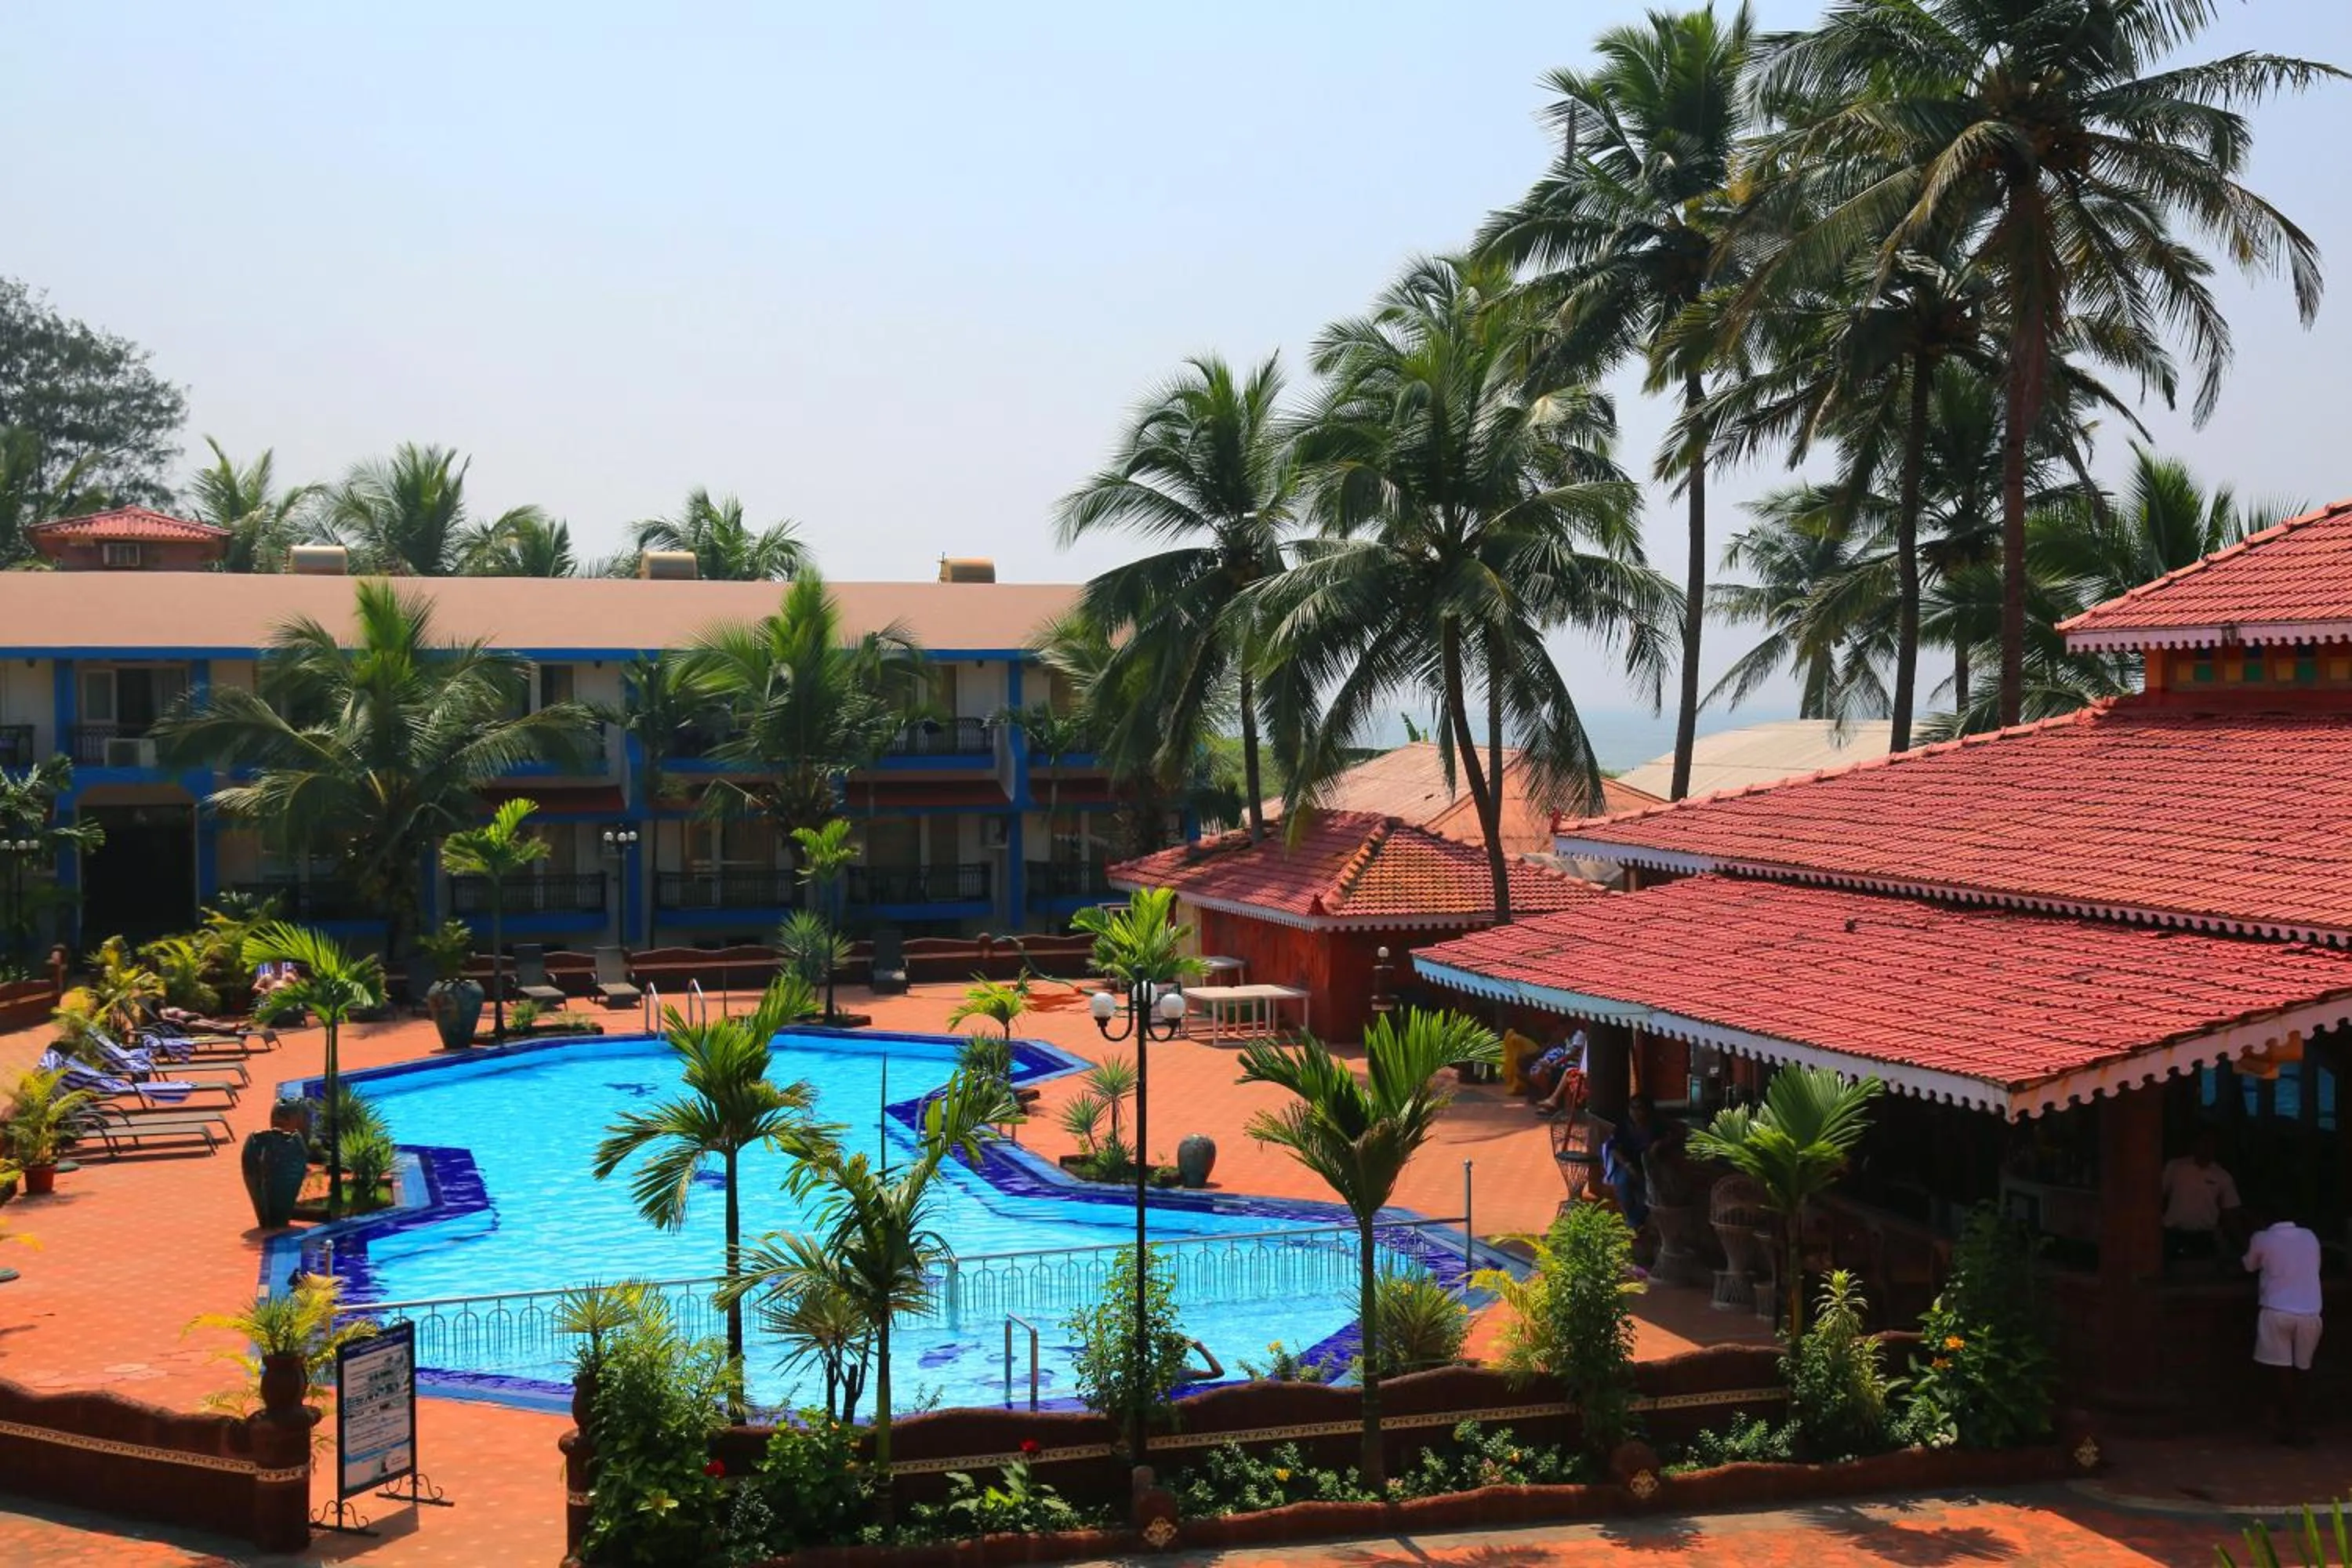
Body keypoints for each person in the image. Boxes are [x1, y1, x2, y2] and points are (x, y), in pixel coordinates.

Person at [2242, 1207, 2324, 1446]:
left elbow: (2249, 1265)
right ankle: (2299, 1424)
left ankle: (2292, 1425)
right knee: (2303, 1371)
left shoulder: (2262, 1238)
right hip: (2310, 1312)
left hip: (2277, 1311)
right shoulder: (2310, 1236)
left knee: (2281, 1372)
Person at [2161, 1129, 2241, 1262]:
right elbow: (2155, 1197)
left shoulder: (2222, 1176)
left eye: (2211, 1144)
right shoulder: (2175, 1167)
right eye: (2203, 1142)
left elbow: (2230, 1211)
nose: (2207, 1147)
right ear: (2194, 1144)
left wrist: (2238, 1242)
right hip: (2172, 1234)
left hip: (2205, 1236)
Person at [1603, 1094, 1659, 1232]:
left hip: (1650, 1167)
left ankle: (1635, 1222)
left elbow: (1678, 1133)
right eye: (1632, 1108)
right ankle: (1633, 1221)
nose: (1635, 1112)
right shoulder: (1624, 1126)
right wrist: (1628, 1166)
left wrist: (1659, 1144)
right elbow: (1613, 1149)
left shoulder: (1656, 1126)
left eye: (1639, 1108)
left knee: (1650, 1192)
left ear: (1647, 1110)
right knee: (1622, 1184)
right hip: (1627, 1165)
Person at [1530, 1029, 1589, 1116]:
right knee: (1546, 1072)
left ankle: (1553, 1102)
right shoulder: (1567, 1039)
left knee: (1567, 1074)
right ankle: (1548, 1105)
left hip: (1573, 1066)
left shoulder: (1580, 1034)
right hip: (1566, 1066)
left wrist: (1557, 1063)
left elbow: (1572, 1054)